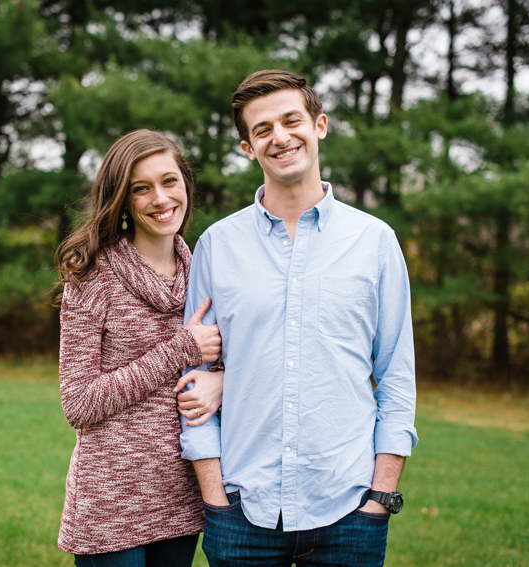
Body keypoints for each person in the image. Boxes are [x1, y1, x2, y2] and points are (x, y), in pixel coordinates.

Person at [179, 70, 418, 566]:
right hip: (242, 511)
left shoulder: (374, 242)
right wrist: (215, 499)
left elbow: (396, 376)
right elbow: (194, 376)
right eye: (262, 129)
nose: (280, 137)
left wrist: (380, 498)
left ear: (320, 126)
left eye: (292, 120)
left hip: (350, 510)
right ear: (248, 148)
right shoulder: (216, 247)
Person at [54, 129, 224, 567]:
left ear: (186, 183)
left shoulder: (204, 273)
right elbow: (78, 403)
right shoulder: (93, 276)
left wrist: (221, 378)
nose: (160, 198)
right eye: (141, 188)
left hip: (182, 495)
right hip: (112, 503)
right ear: (123, 200)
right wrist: (179, 349)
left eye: (169, 181)